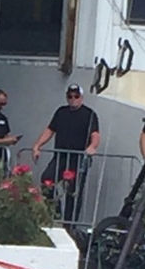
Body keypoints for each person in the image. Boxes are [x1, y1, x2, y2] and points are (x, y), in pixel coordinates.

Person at [31, 83, 100, 223]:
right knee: (47, 180)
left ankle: (70, 224)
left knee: (73, 192)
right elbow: (50, 130)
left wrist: (92, 147)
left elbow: (95, 134)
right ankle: (55, 215)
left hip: (78, 159)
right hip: (61, 157)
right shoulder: (61, 112)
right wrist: (37, 145)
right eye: (70, 96)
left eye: (76, 96)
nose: (73, 99)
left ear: (81, 97)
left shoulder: (89, 114)